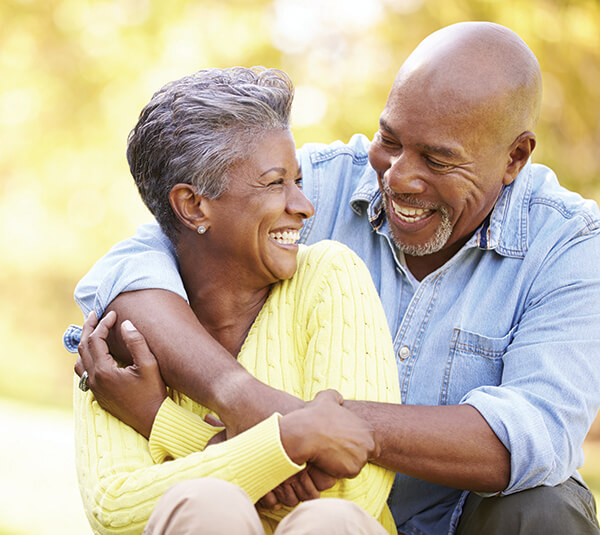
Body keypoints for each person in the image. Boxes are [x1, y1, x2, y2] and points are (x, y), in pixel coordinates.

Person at [69, 22, 600, 534]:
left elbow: (531, 436)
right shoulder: (315, 183)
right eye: (389, 140)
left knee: (547, 508)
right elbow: (135, 267)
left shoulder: (571, 245)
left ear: (515, 157)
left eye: (438, 159)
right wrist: (242, 397)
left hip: (457, 521)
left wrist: (300, 429)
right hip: (296, 517)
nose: (397, 177)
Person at [64, 66, 402, 534]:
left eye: (299, 181)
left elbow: (354, 491)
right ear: (194, 206)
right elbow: (116, 509)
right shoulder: (119, 335)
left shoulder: (329, 276)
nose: (304, 205)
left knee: (328, 520)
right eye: (274, 183)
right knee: (205, 507)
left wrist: (162, 422)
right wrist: (288, 442)